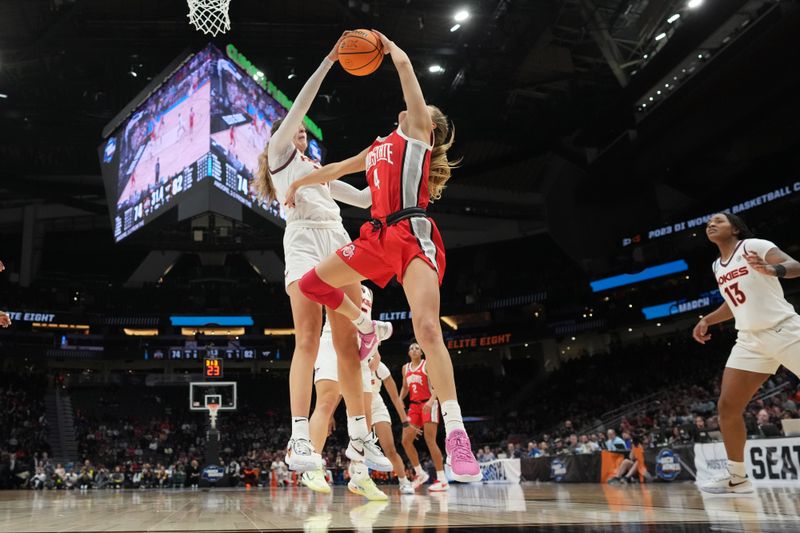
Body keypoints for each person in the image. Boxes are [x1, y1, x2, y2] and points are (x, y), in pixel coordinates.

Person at [285, 30, 481, 483]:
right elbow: (336, 170)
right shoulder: (378, 147)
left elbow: (408, 73)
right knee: (314, 283)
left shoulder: (416, 133)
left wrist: (392, 49)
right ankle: (366, 325)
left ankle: (456, 435)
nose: (414, 111)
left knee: (428, 327)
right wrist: (299, 183)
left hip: (412, 233)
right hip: (376, 237)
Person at [253, 34, 391, 479]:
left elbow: (369, 195)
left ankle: (358, 437)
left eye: (302, 129)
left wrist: (391, 155)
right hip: (302, 242)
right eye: (295, 126)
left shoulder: (318, 171)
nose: (301, 129)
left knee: (347, 342)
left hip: (336, 238)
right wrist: (330, 60)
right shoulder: (279, 158)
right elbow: (302, 103)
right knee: (308, 340)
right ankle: (298, 436)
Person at [692, 212, 800, 494]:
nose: (711, 224)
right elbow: (733, 302)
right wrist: (707, 319)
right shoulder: (717, 265)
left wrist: (773, 270)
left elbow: (795, 265)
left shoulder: (754, 246)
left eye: (718, 220)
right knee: (727, 407)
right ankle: (738, 478)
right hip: (750, 340)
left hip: (784, 329)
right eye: (708, 223)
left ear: (736, 228)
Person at [301, 286, 392, 501]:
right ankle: (312, 466)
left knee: (364, 412)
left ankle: (360, 476)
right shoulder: (336, 273)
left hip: (361, 349)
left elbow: (367, 321)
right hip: (331, 342)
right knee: (326, 400)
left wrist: (375, 349)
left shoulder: (368, 291)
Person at [398, 342, 448, 491]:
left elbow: (438, 385)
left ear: (421, 352)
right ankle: (420, 474)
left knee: (429, 440)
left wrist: (432, 401)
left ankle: (442, 479)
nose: (414, 350)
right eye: (411, 348)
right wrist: (400, 398)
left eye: (417, 348)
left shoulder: (427, 365)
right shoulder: (405, 368)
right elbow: (406, 387)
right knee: (405, 441)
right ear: (408, 353)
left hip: (428, 403)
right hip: (414, 406)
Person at [368, 352, 417, 494]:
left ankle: (404, 481)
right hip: (357, 408)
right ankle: (361, 481)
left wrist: (405, 423)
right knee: (359, 451)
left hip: (376, 406)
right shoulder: (350, 363)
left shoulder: (379, 367)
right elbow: (340, 393)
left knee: (390, 449)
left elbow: (395, 398)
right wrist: (331, 415)